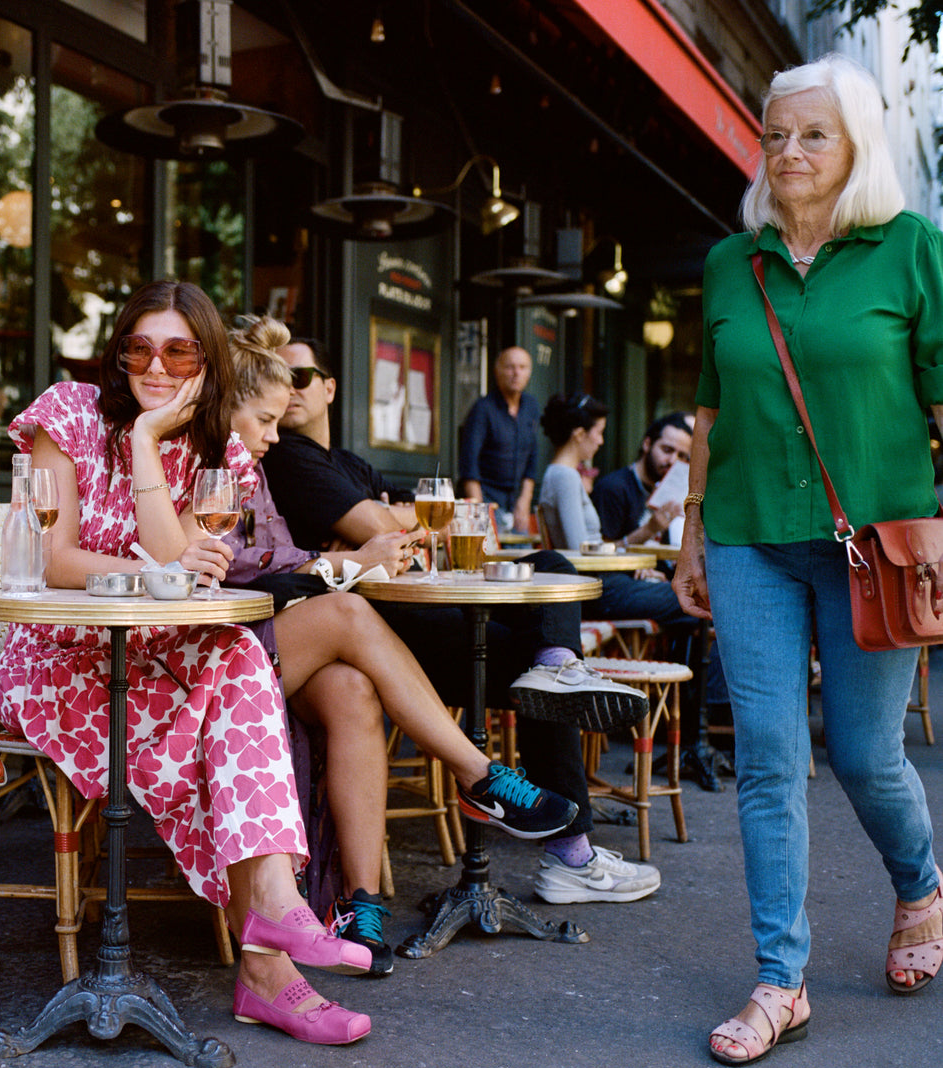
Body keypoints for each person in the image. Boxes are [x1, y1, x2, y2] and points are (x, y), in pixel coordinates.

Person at [0, 281, 371, 1046]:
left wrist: (157, 443)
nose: (154, 366)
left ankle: (270, 922)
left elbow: (178, 567)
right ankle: (271, 957)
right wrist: (138, 437)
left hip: (155, 654)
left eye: (177, 350)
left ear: (205, 360)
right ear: (117, 351)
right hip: (61, 661)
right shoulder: (66, 412)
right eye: (138, 347)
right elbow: (60, 558)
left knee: (234, 658)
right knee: (232, 689)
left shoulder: (220, 449)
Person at [673, 54, 943, 1066]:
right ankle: (777, 979)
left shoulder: (909, 250)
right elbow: (706, 407)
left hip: (875, 544)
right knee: (767, 762)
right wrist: (692, 526)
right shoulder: (725, 262)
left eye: (811, 134)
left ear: (854, 145)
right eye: (774, 134)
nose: (786, 151)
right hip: (748, 535)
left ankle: (917, 884)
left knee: (865, 753)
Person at [222, 314, 581, 974]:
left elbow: (294, 554)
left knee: (355, 687)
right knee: (352, 614)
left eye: (281, 416)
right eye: (265, 418)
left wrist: (331, 557)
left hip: (275, 637)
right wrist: (342, 561)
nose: (273, 435)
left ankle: (358, 903)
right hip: (224, 644)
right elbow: (238, 570)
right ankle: (479, 773)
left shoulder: (255, 467)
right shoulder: (231, 468)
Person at [264, 336, 659, 906]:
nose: (287, 392)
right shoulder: (286, 456)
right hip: (381, 629)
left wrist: (394, 521)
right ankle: (571, 853)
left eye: (300, 378)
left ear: (329, 387)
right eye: (277, 379)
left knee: (547, 571)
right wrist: (392, 520)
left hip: (411, 609)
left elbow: (428, 518)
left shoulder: (343, 462)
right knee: (536, 665)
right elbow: (391, 518)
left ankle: (560, 668)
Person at [536, 394, 724, 792]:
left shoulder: (565, 476)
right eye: (599, 433)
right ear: (579, 433)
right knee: (699, 600)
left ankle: (691, 724)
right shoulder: (564, 476)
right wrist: (630, 555)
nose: (601, 441)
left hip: (604, 583)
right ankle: (694, 724)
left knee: (690, 601)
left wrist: (630, 559)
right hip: (595, 591)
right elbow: (577, 552)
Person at [457, 346, 541, 533]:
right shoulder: (483, 408)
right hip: (487, 499)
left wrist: (525, 502)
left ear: (529, 372)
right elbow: (469, 465)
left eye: (522, 367)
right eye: (510, 367)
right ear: (497, 371)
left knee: (525, 559)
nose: (516, 373)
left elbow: (532, 461)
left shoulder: (531, 407)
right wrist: (479, 515)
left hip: (517, 502)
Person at [591, 411, 692, 548]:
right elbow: (602, 554)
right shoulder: (614, 488)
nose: (672, 461)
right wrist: (649, 530)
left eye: (682, 456)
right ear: (647, 444)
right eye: (667, 450)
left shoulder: (664, 489)